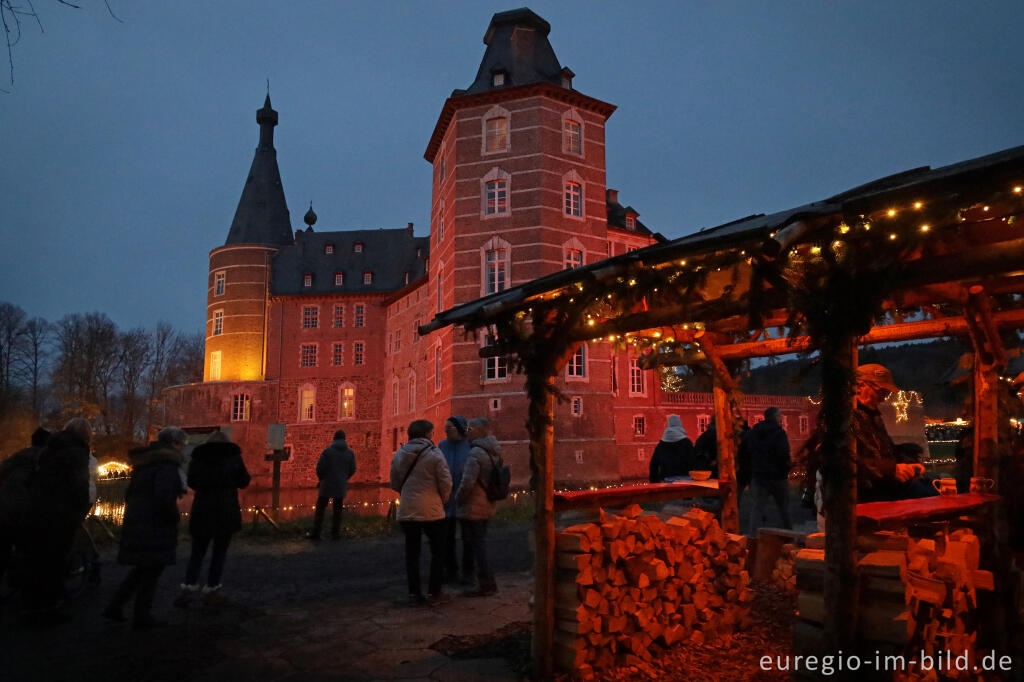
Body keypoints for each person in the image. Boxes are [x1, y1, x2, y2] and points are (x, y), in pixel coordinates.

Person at [104, 427, 186, 628]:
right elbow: (163, 498)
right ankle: (142, 616)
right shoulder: (166, 465)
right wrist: (174, 516)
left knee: (143, 568)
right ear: (174, 443)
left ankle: (116, 606)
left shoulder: (146, 463)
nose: (183, 448)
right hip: (155, 524)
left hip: (139, 520)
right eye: (181, 444)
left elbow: (131, 494)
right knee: (151, 570)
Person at [23, 419, 92, 621]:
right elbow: (79, 485)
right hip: (61, 514)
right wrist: (80, 511)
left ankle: (31, 605)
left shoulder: (48, 449)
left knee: (37, 561)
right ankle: (48, 607)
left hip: (37, 510)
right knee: (55, 561)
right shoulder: (78, 452)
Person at [174, 430, 250, 607]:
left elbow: (191, 481)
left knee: (197, 552)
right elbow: (244, 481)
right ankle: (212, 590)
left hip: (203, 508)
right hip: (226, 508)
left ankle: (188, 589)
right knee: (219, 553)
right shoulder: (233, 457)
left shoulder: (199, 457)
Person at [390, 419, 452, 607]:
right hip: (432, 510)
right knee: (438, 552)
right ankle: (435, 591)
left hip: (408, 509)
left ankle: (414, 593)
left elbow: (394, 481)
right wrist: (442, 500)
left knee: (412, 553)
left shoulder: (400, 453)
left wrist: (406, 494)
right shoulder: (435, 453)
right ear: (427, 434)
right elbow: (446, 482)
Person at [0, 427, 50, 595]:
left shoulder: (18, 455)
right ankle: (21, 587)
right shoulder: (44, 459)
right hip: (26, 512)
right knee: (27, 550)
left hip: (4, 508)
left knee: (3, 548)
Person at [454, 417, 499, 597]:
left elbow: (468, 482)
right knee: (481, 543)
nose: (467, 433)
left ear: (480, 431)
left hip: (473, 505)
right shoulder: (494, 451)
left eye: (470, 429)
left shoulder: (475, 453)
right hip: (487, 502)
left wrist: (457, 499)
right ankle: (487, 582)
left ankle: (486, 583)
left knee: (477, 546)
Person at [746, 407, 792, 534]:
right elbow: (784, 453)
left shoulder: (754, 432)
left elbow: (747, 451)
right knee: (784, 508)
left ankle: (752, 537)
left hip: (759, 476)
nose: (780, 418)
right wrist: (786, 468)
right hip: (778, 476)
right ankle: (790, 535)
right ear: (775, 417)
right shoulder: (779, 433)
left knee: (758, 508)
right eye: (779, 416)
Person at [438, 415, 472, 584]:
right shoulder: (442, 445)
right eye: (445, 428)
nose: (446, 431)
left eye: (449, 428)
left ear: (459, 429)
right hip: (447, 499)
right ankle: (450, 570)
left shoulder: (470, 446)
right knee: (447, 539)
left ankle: (468, 571)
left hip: (466, 498)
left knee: (468, 539)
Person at [308, 430, 356, 541]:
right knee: (337, 510)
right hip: (340, 485)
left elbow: (319, 468)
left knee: (320, 509)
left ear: (334, 439)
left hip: (326, 484)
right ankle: (335, 534)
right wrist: (345, 477)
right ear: (344, 439)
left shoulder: (327, 452)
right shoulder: (350, 453)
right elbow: (353, 469)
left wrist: (321, 479)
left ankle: (316, 533)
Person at [649, 415, 695, 483]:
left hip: (667, 480)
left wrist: (654, 482)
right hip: (686, 480)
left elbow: (653, 465)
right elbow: (694, 461)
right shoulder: (687, 443)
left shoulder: (661, 445)